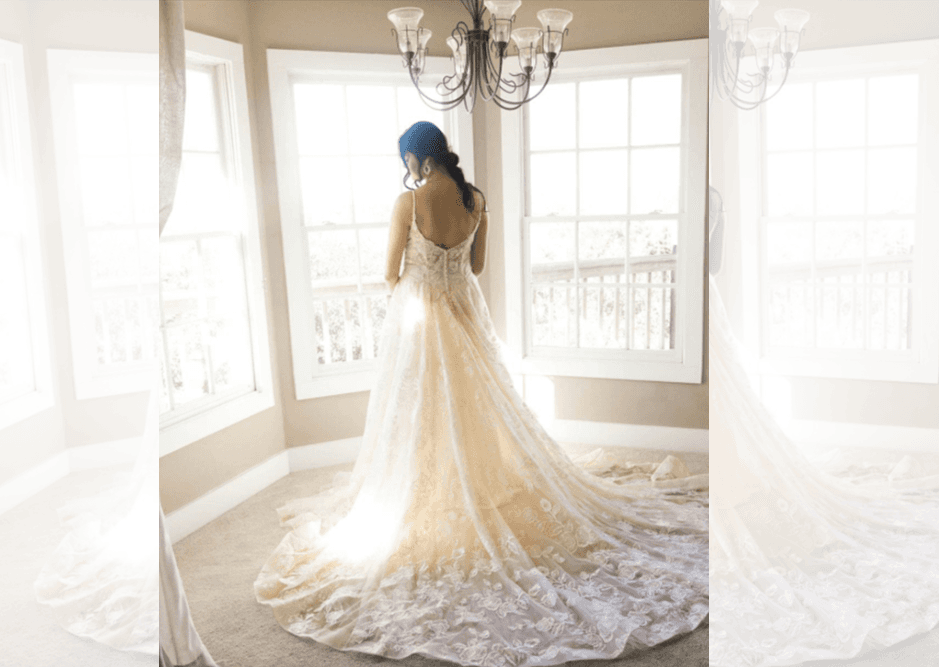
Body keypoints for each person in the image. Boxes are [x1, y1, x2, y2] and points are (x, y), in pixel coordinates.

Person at [255, 121, 708, 667]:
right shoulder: (476, 199)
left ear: (417, 157)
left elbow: (390, 272)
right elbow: (476, 266)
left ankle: (431, 492)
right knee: (480, 411)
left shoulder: (409, 202)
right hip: (465, 316)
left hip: (421, 321)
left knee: (421, 416)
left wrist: (411, 293)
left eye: (406, 158)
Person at [707, 191, 939, 666]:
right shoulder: (711, 200)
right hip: (704, 308)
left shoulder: (709, 199)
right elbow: (712, 266)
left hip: (703, 312)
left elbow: (708, 265)